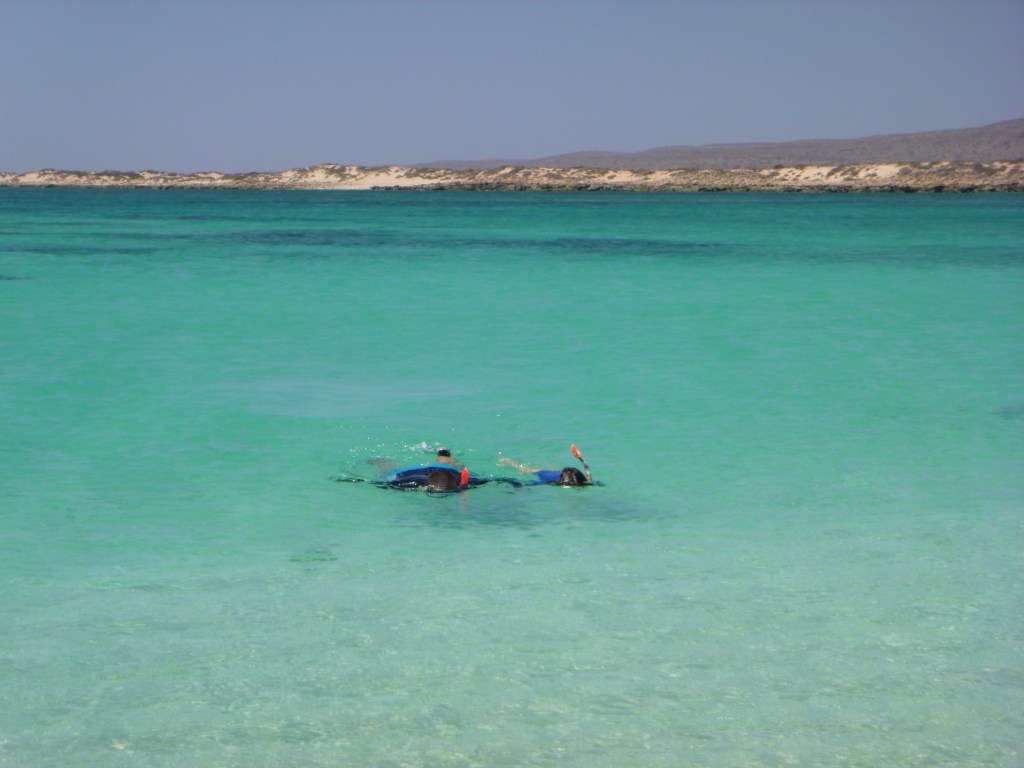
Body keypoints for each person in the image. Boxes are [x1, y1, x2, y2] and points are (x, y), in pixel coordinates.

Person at [497, 445, 593, 486]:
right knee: (525, 469)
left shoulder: (582, 482)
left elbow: (588, 478)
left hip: (562, 474)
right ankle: (510, 462)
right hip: (548, 474)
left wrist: (582, 459)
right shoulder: (553, 482)